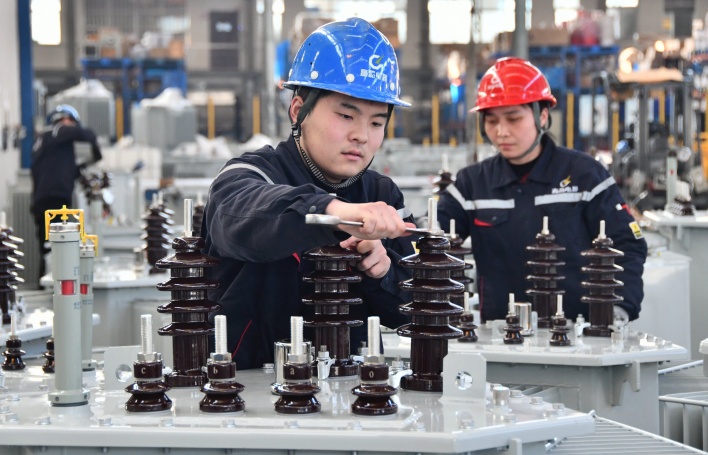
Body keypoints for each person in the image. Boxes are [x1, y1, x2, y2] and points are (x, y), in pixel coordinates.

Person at [202, 17, 416, 370]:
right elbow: (238, 218)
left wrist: (384, 273)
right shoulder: (251, 174)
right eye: (347, 116)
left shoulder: (382, 195)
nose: (362, 135)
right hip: (243, 396)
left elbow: (412, 312)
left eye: (377, 122)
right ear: (299, 110)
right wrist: (336, 213)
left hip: (349, 395)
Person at [435, 57, 648, 324]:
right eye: (491, 121)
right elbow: (432, 237)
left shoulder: (585, 176)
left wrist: (619, 309)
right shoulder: (472, 184)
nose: (501, 132)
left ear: (542, 116)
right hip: (499, 337)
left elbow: (628, 244)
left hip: (576, 336)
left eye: (513, 119)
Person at [31, 104, 102, 285]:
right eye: (70, 122)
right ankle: (50, 289)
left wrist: (83, 166)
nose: (71, 126)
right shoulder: (55, 132)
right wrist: (96, 153)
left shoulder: (49, 144)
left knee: (48, 247)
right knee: (54, 248)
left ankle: (46, 287)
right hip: (52, 201)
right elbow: (87, 134)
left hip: (45, 200)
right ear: (63, 120)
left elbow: (65, 171)